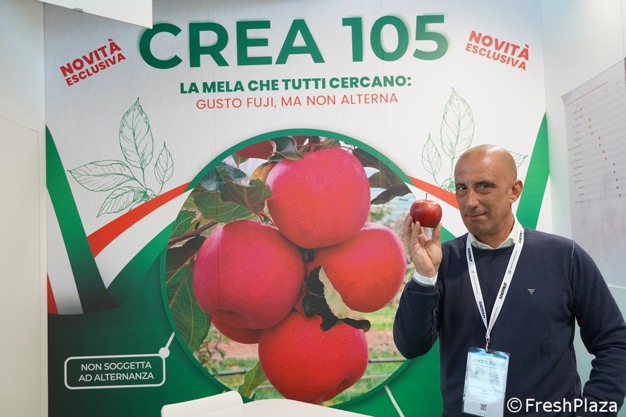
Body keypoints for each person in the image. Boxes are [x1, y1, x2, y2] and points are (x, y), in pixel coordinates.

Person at [393, 144, 626, 417]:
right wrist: (425, 276)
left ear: (514, 190)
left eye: (484, 186)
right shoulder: (443, 261)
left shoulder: (564, 256)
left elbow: (614, 343)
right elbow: (411, 346)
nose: (470, 201)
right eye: (461, 188)